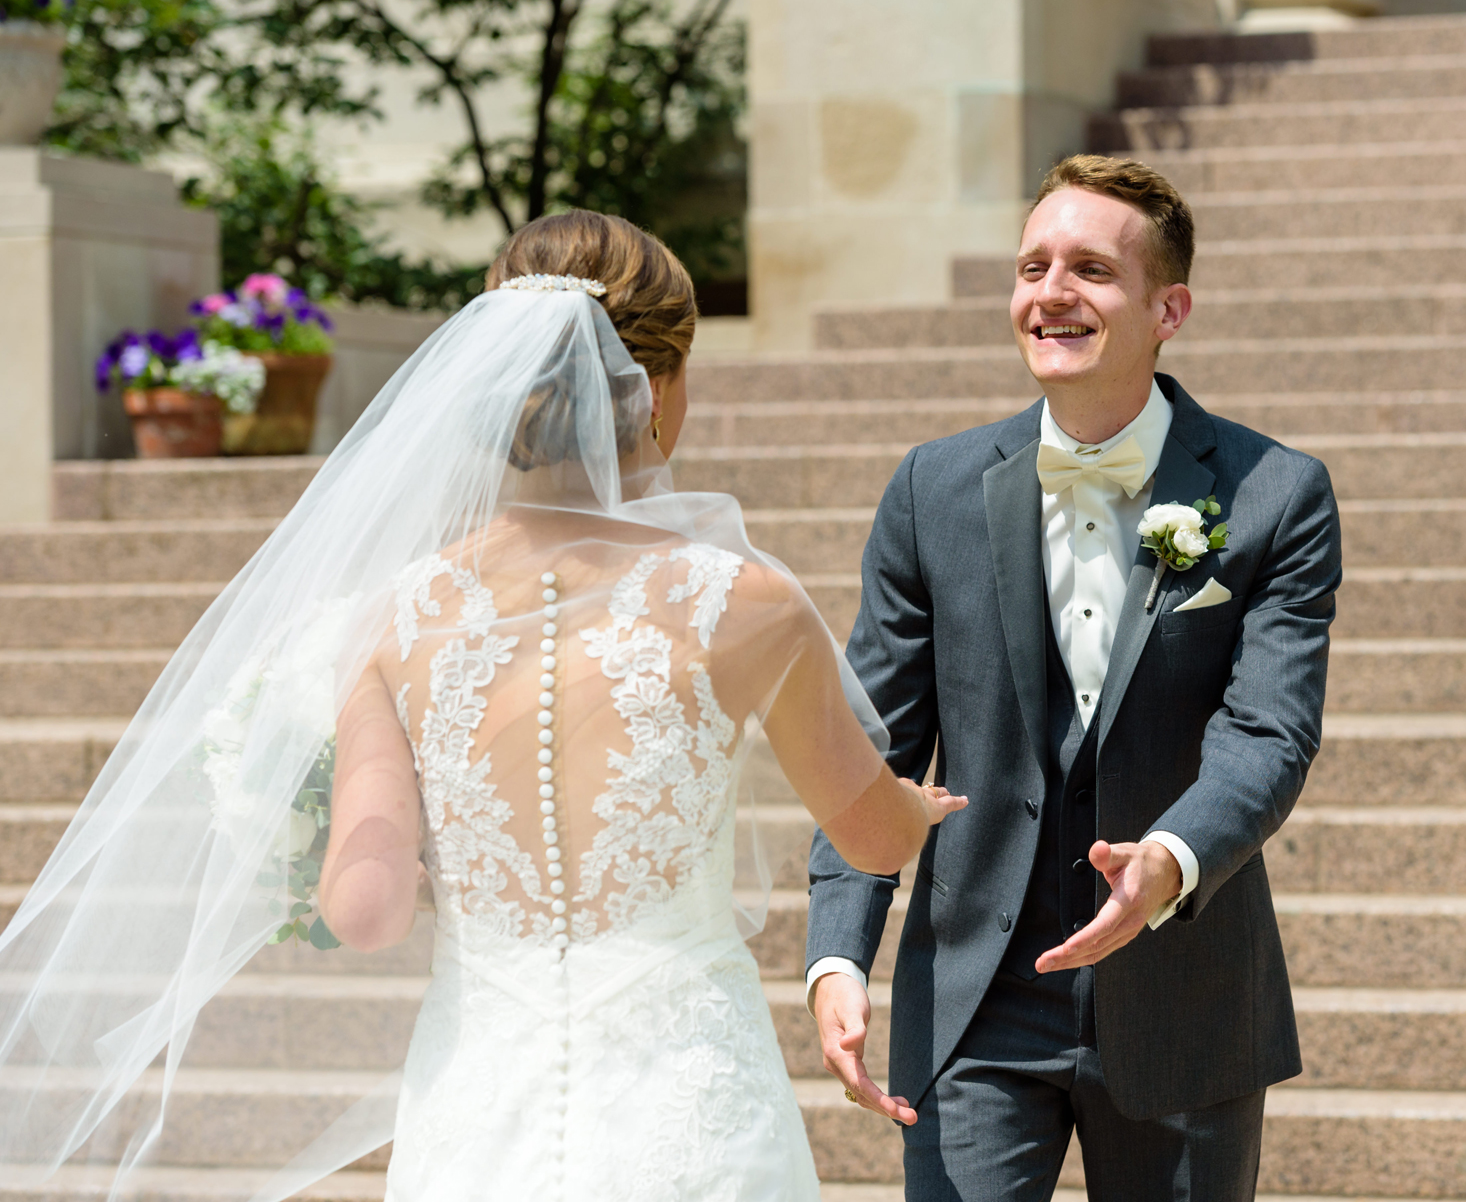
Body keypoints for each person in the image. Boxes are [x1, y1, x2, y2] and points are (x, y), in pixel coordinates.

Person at [0, 210, 962, 1202]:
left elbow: (365, 913)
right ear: (658, 388)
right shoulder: (737, 602)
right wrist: (916, 807)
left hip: (477, 1099)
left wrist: (311, 826)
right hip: (685, 1096)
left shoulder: (392, 619)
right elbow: (871, 839)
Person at [804, 155, 1342, 1200]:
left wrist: (1171, 860)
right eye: (1031, 266)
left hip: (1182, 999)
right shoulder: (932, 489)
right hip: (971, 999)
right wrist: (838, 951)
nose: (1049, 293)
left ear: (1165, 308)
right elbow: (868, 746)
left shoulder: (1275, 494)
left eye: (1090, 269)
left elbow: (1267, 732)